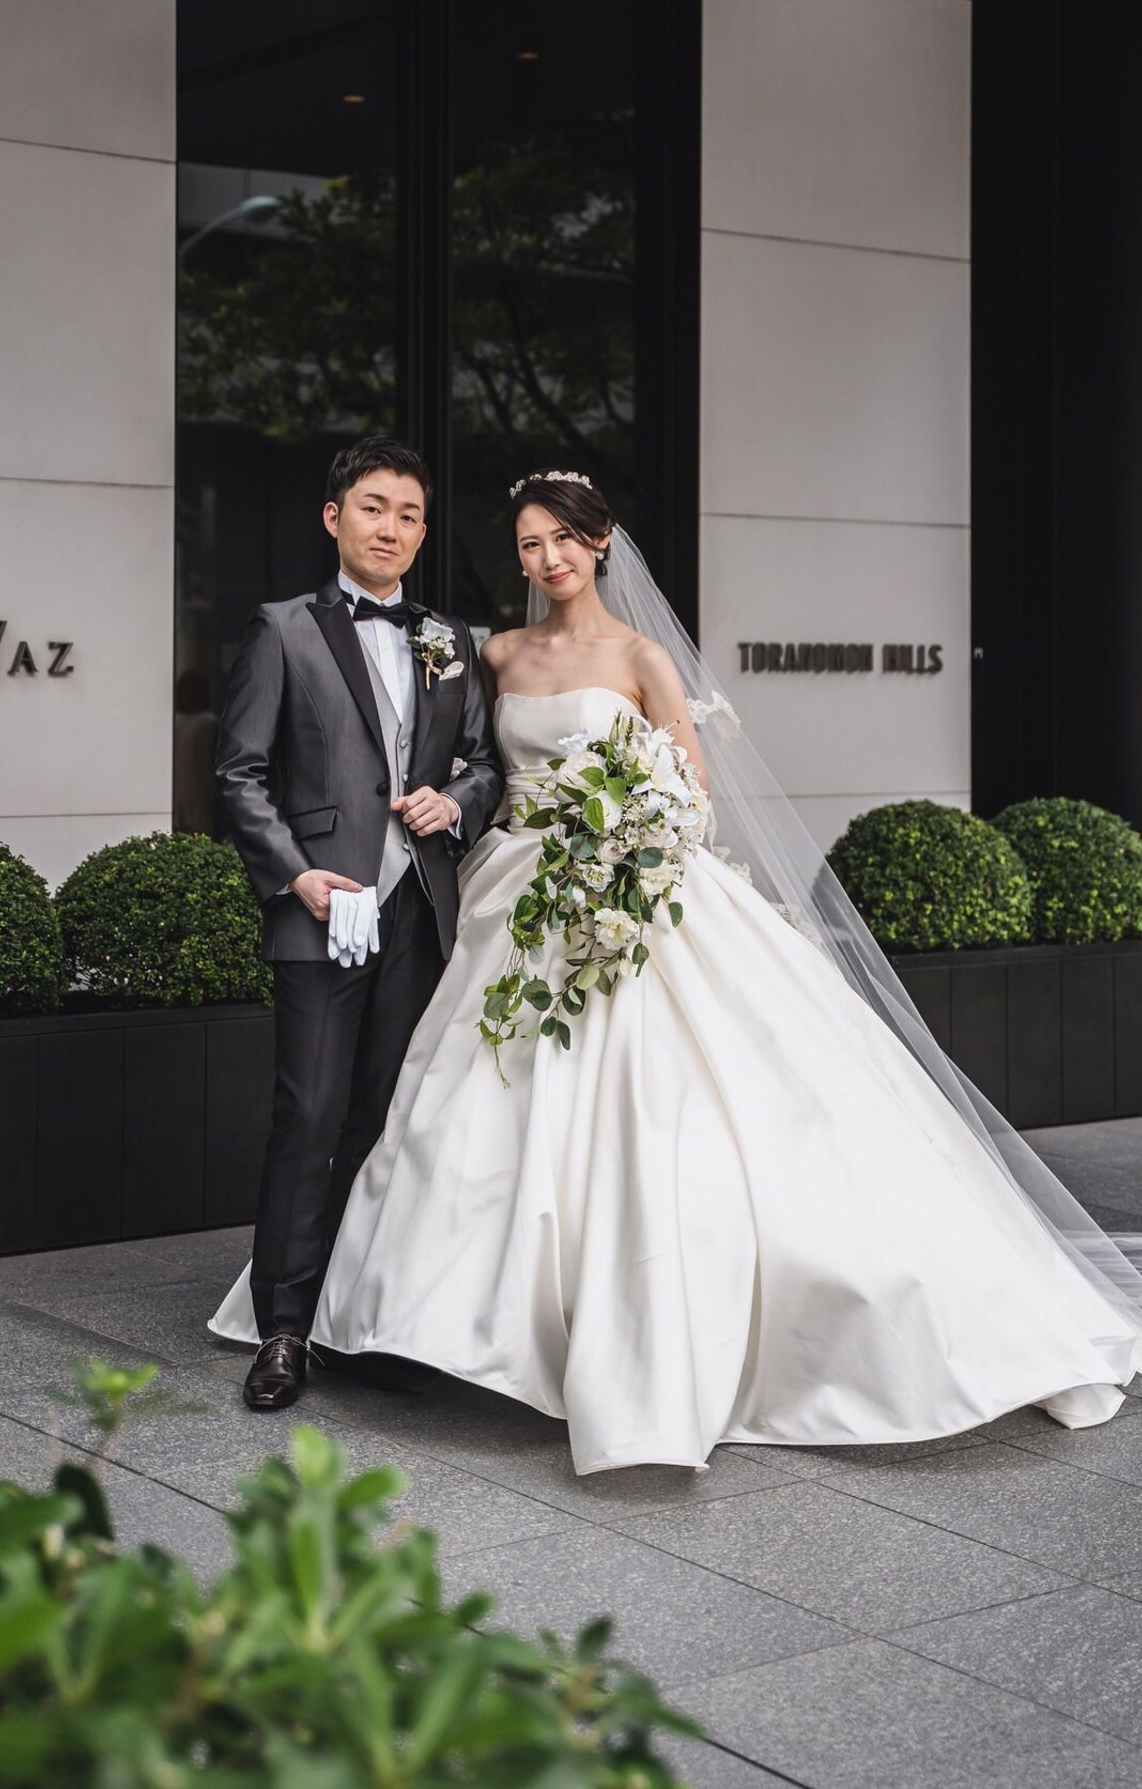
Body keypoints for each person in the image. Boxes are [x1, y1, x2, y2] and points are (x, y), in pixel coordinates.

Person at [212, 469, 1142, 1474]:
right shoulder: (492, 652)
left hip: (630, 890)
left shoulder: (643, 656)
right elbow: (473, 766)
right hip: (510, 895)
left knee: (663, 1110)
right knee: (456, 1111)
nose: (547, 558)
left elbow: (690, 791)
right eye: (528, 543)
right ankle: (409, 1320)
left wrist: (622, 841)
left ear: (600, 542)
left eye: (563, 539)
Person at [212, 436, 503, 1412]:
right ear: (333, 517)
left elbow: (483, 762)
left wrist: (454, 801)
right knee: (308, 1114)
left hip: (417, 910)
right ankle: (283, 1329)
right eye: (374, 507)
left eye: (409, 514)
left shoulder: (446, 637)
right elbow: (238, 774)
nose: (392, 528)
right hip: (323, 907)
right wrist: (296, 876)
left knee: (381, 1120)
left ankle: (351, 1313)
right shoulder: (282, 628)